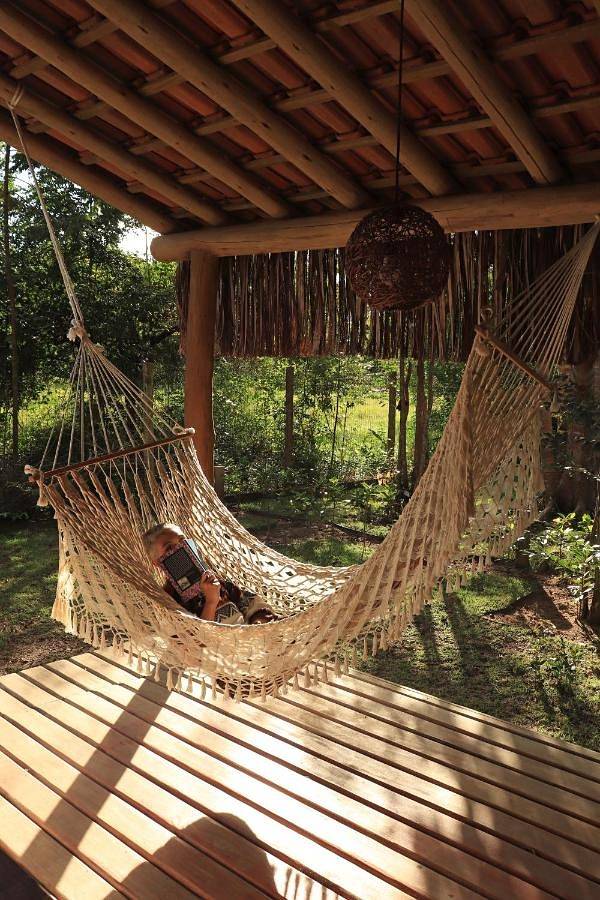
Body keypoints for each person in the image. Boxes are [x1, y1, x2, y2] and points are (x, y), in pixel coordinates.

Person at [143, 522, 276, 624]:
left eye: (183, 541)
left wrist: (260, 619)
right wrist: (211, 602)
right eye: (170, 548)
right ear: (157, 563)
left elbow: (249, 604)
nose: (181, 548)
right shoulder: (168, 601)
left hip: (249, 642)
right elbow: (195, 644)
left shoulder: (216, 582)